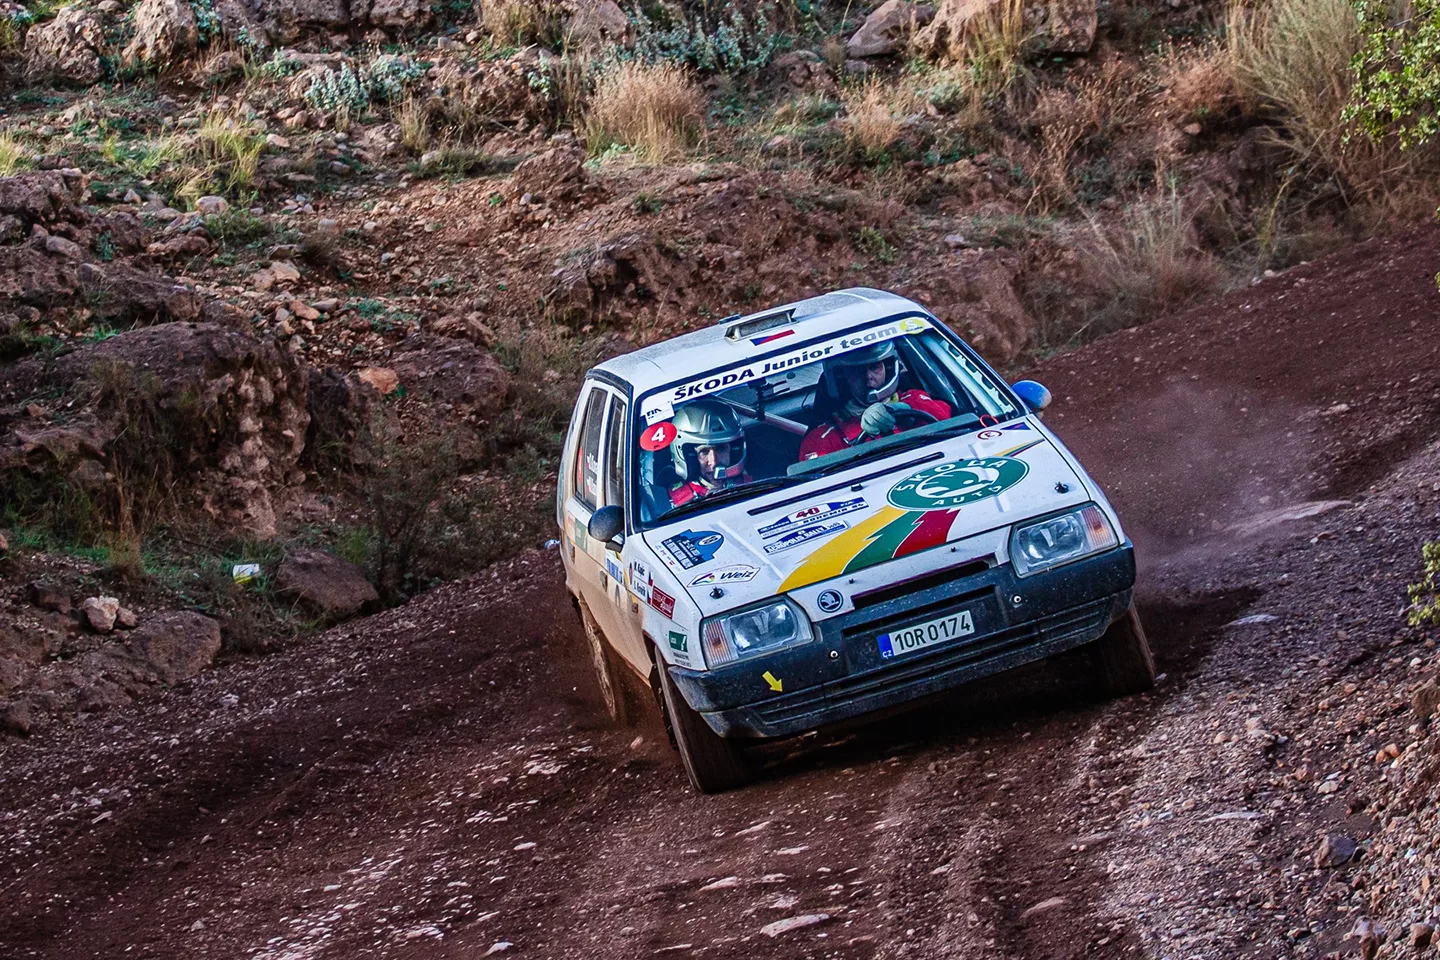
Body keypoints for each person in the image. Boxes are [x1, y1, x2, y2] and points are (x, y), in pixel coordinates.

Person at [799, 342, 951, 460]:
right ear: (842, 378)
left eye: (874, 367)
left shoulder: (914, 398)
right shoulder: (824, 436)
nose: (868, 376)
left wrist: (902, 411)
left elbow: (949, 418)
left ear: (889, 368)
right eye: (857, 371)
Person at [667, 400, 752, 506]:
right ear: (690, 457)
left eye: (721, 449)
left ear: (734, 450)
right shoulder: (675, 503)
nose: (714, 462)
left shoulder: (760, 482)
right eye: (704, 452)